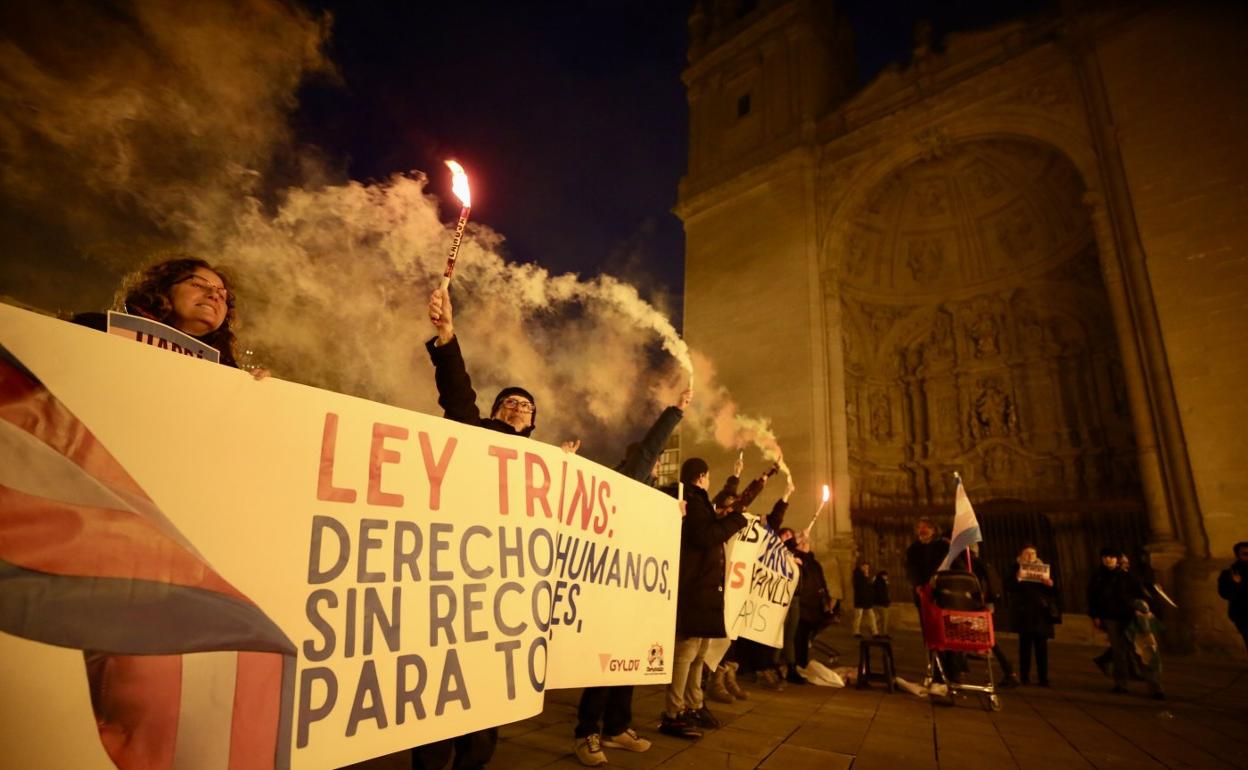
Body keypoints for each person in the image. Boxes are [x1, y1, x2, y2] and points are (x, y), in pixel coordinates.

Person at [414, 285, 540, 770]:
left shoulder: (544, 465)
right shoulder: (476, 432)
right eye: (508, 402)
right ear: (493, 413)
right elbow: (458, 396)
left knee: (485, 713)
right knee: (437, 703)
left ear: (533, 424)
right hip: (456, 578)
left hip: (504, 594)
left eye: (525, 407)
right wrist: (447, 337)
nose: (516, 408)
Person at [572, 389, 691, 767]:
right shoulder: (629, 480)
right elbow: (645, 455)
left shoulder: (651, 497)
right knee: (603, 667)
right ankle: (586, 733)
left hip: (635, 594)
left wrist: (674, 517)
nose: (656, 467)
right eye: (653, 462)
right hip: (611, 592)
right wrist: (674, 413)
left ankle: (617, 728)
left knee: (629, 663)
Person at [659, 458, 750, 738]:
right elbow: (705, 535)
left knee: (698, 653)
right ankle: (674, 712)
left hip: (704, 589)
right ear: (701, 477)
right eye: (708, 477)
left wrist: (734, 478)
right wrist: (736, 520)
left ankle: (693, 704)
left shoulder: (699, 500)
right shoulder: (692, 500)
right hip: (694, 588)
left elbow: (714, 513)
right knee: (686, 654)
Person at [73, 256, 247, 369]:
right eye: (198, 285)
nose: (214, 296)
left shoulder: (229, 373)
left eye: (222, 295)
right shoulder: (94, 330)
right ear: (164, 288)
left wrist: (257, 388)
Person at [1087, 547, 1164, 699]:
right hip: (1111, 617)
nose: (1108, 560)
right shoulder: (1098, 577)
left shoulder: (1127, 577)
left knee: (1143, 651)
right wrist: (1095, 615)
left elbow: (1142, 595)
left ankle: (1155, 687)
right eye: (1105, 557)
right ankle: (1121, 684)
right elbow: (1092, 597)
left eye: (1111, 557)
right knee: (1118, 652)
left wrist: (1141, 608)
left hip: (1131, 618)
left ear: (1117, 560)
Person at [1006, 544, 1059, 686]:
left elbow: (1054, 593)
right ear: (1021, 555)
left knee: (1042, 647)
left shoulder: (1043, 569)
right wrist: (1017, 578)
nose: (1030, 556)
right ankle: (1025, 676)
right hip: (1024, 613)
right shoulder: (1015, 568)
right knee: (1025, 647)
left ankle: (1043, 677)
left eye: (1033, 553)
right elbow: (1008, 587)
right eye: (1027, 553)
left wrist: (1050, 585)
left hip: (1041, 613)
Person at [793, 531, 831, 673]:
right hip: (802, 606)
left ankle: (801, 664)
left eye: (806, 542)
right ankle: (797, 665)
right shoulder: (796, 559)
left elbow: (821, 581)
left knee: (805, 637)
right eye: (801, 542)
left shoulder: (813, 562)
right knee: (799, 638)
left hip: (814, 607)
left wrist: (826, 597)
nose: (804, 543)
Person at [1217, 541, 1248, 652]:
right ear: (1238, 555)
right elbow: (1224, 593)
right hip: (1242, 613)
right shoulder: (1228, 573)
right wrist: (1236, 584)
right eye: (1245, 554)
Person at [851, 560, 878, 638]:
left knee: (871, 615)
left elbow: (869, 586)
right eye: (865, 567)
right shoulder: (857, 575)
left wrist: (868, 578)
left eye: (867, 568)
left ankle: (875, 632)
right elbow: (860, 586)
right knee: (858, 616)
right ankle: (856, 631)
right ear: (861, 567)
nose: (866, 569)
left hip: (867, 599)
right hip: (860, 599)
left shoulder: (865, 575)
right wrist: (866, 577)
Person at [871, 570, 892, 638]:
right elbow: (883, 594)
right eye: (885, 576)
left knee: (881, 618)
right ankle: (884, 633)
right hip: (881, 603)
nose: (886, 577)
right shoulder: (881, 583)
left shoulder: (877, 582)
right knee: (885, 619)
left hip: (877, 603)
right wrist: (886, 602)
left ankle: (874, 630)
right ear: (882, 576)